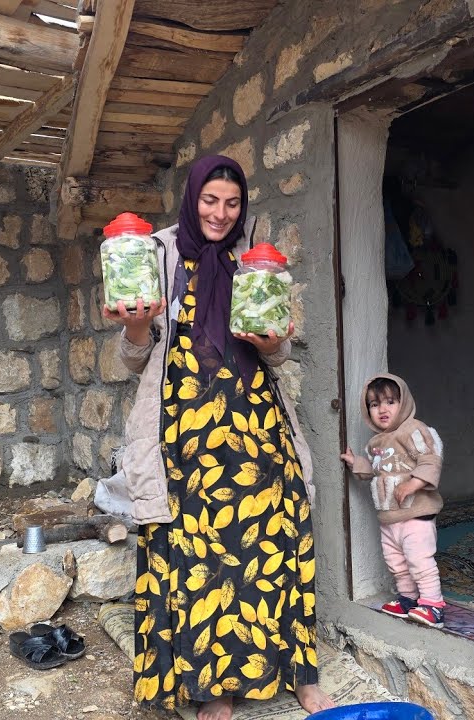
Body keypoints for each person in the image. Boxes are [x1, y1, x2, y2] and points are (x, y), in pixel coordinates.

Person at [105, 155, 335, 720]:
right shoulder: (155, 254)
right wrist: (136, 324)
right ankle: (218, 688)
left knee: (278, 541)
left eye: (232, 203)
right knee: (202, 556)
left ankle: (300, 673)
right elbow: (134, 358)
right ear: (192, 198)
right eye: (210, 200)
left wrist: (274, 340)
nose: (220, 213)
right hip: (185, 434)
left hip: (256, 426)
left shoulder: (250, 258)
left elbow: (276, 352)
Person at [339, 373, 446, 627]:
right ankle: (408, 599)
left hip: (416, 514)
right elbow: (377, 471)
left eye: (390, 402)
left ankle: (433, 605)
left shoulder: (413, 430)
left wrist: (413, 484)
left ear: (403, 403)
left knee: (419, 560)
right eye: (374, 404)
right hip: (389, 518)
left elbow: (430, 459)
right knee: (397, 563)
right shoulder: (375, 442)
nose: (382, 410)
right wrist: (356, 463)